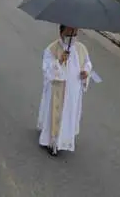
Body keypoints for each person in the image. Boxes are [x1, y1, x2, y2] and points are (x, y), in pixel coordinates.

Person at [37, 25, 92, 156]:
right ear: (61, 32)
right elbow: (47, 70)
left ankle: (66, 140)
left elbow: (87, 63)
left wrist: (86, 72)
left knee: (69, 116)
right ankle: (53, 143)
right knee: (55, 115)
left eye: (75, 34)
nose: (72, 37)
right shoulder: (52, 49)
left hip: (73, 91)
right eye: (69, 34)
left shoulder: (81, 49)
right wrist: (60, 61)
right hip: (57, 89)